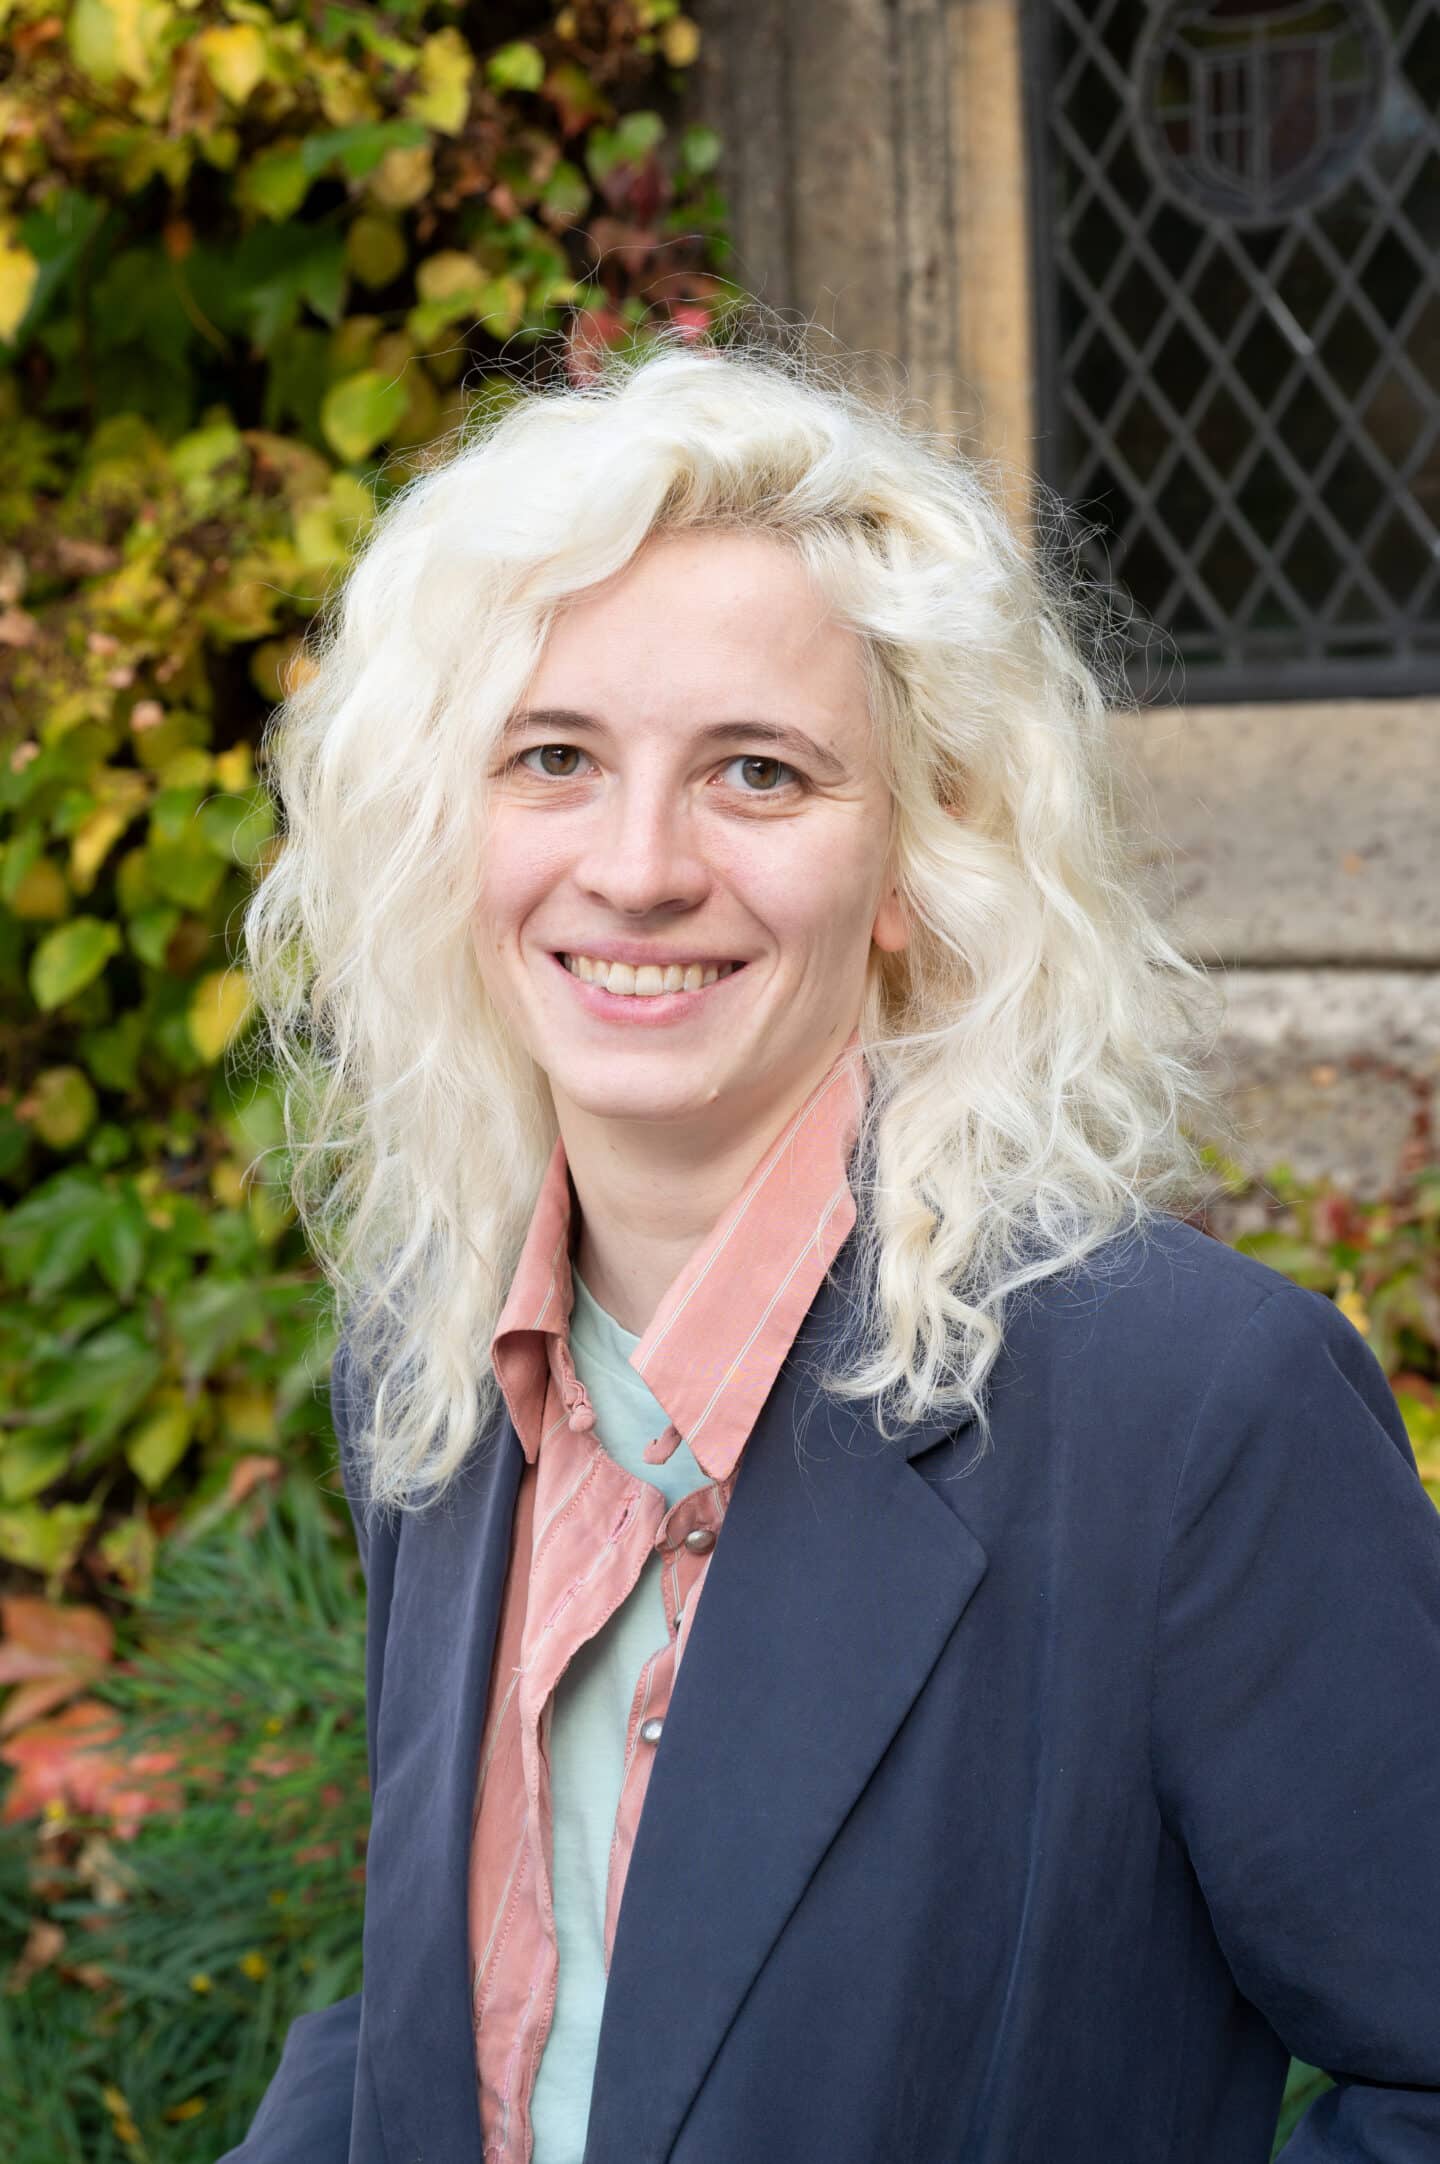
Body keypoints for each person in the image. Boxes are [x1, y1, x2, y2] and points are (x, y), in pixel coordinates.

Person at [227, 339, 1440, 2164]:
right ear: (442, 828)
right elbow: (459, 1983)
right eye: (552, 757)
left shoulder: (1193, 1418)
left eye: (760, 775)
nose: (637, 867)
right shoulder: (431, 1360)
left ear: (914, 865)